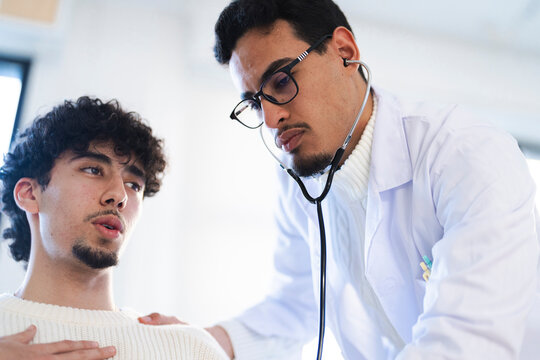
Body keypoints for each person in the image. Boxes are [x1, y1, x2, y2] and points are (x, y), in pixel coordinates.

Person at [142, 0, 540, 359]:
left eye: (280, 81)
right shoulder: (297, 181)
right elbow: (296, 306)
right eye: (252, 103)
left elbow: (464, 343)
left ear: (344, 52)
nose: (270, 120)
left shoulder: (465, 154)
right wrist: (197, 341)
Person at [0, 97, 228, 360]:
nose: (119, 195)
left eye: (134, 185)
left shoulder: (189, 349)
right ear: (30, 194)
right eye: (93, 170)